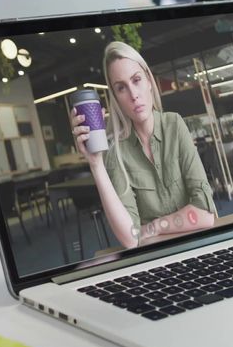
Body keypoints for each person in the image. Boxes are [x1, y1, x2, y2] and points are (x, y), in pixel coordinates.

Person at [72, 42, 217, 249]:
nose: (133, 95)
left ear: (149, 80)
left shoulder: (174, 124)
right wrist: (96, 164)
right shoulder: (116, 151)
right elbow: (131, 239)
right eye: (121, 88)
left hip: (198, 245)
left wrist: (153, 227)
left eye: (137, 80)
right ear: (115, 98)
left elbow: (206, 214)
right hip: (155, 257)